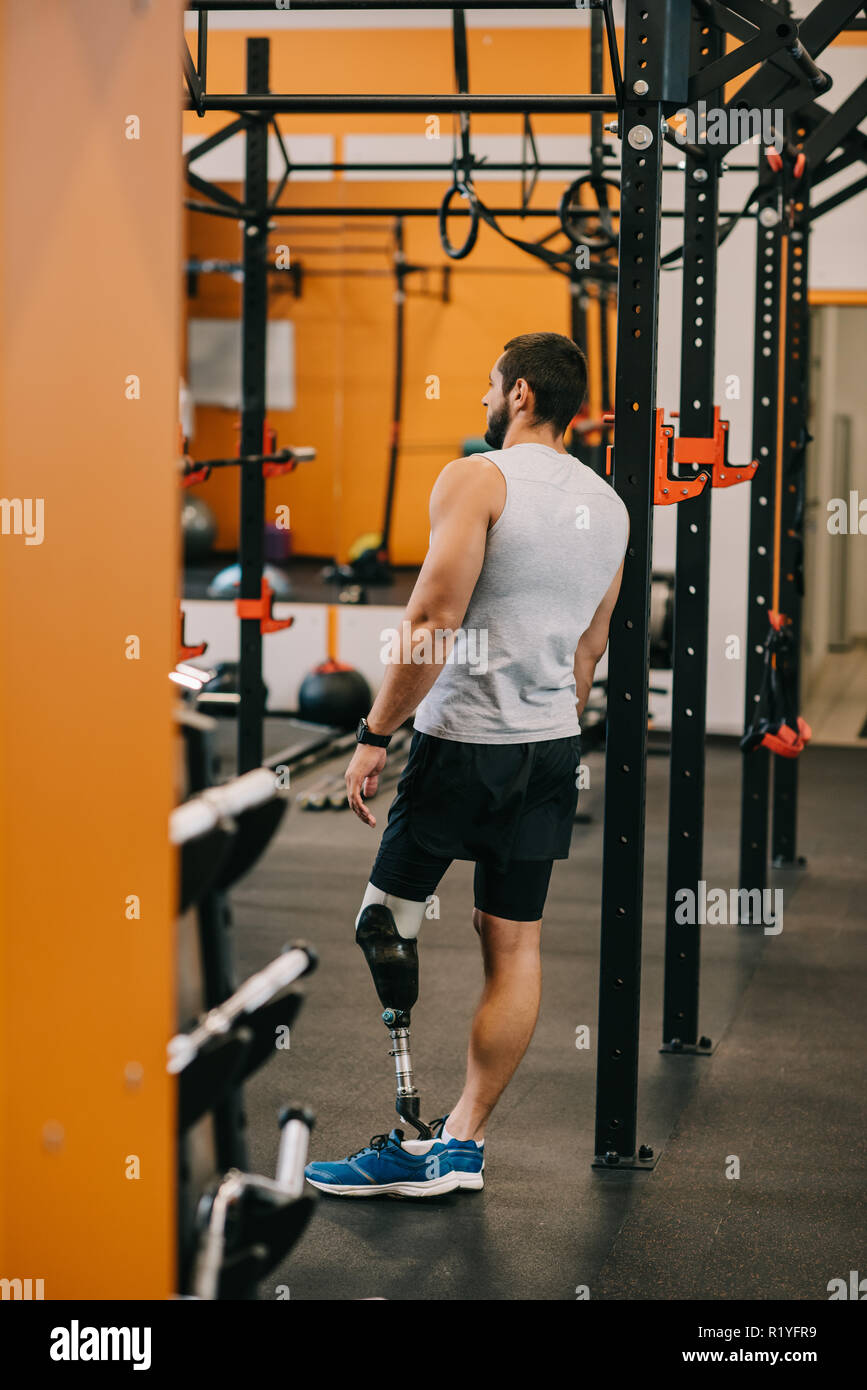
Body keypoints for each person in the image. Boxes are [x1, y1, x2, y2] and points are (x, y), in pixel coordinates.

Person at [305, 332, 628, 1197]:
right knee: (510, 940)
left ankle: (407, 1138)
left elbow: (431, 617)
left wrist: (374, 734)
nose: (483, 400)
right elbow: (588, 653)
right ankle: (460, 1139)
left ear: (518, 394)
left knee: (384, 922)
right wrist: (550, 727)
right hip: (550, 744)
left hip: (462, 746)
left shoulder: (477, 477)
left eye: (489, 386)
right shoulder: (609, 507)